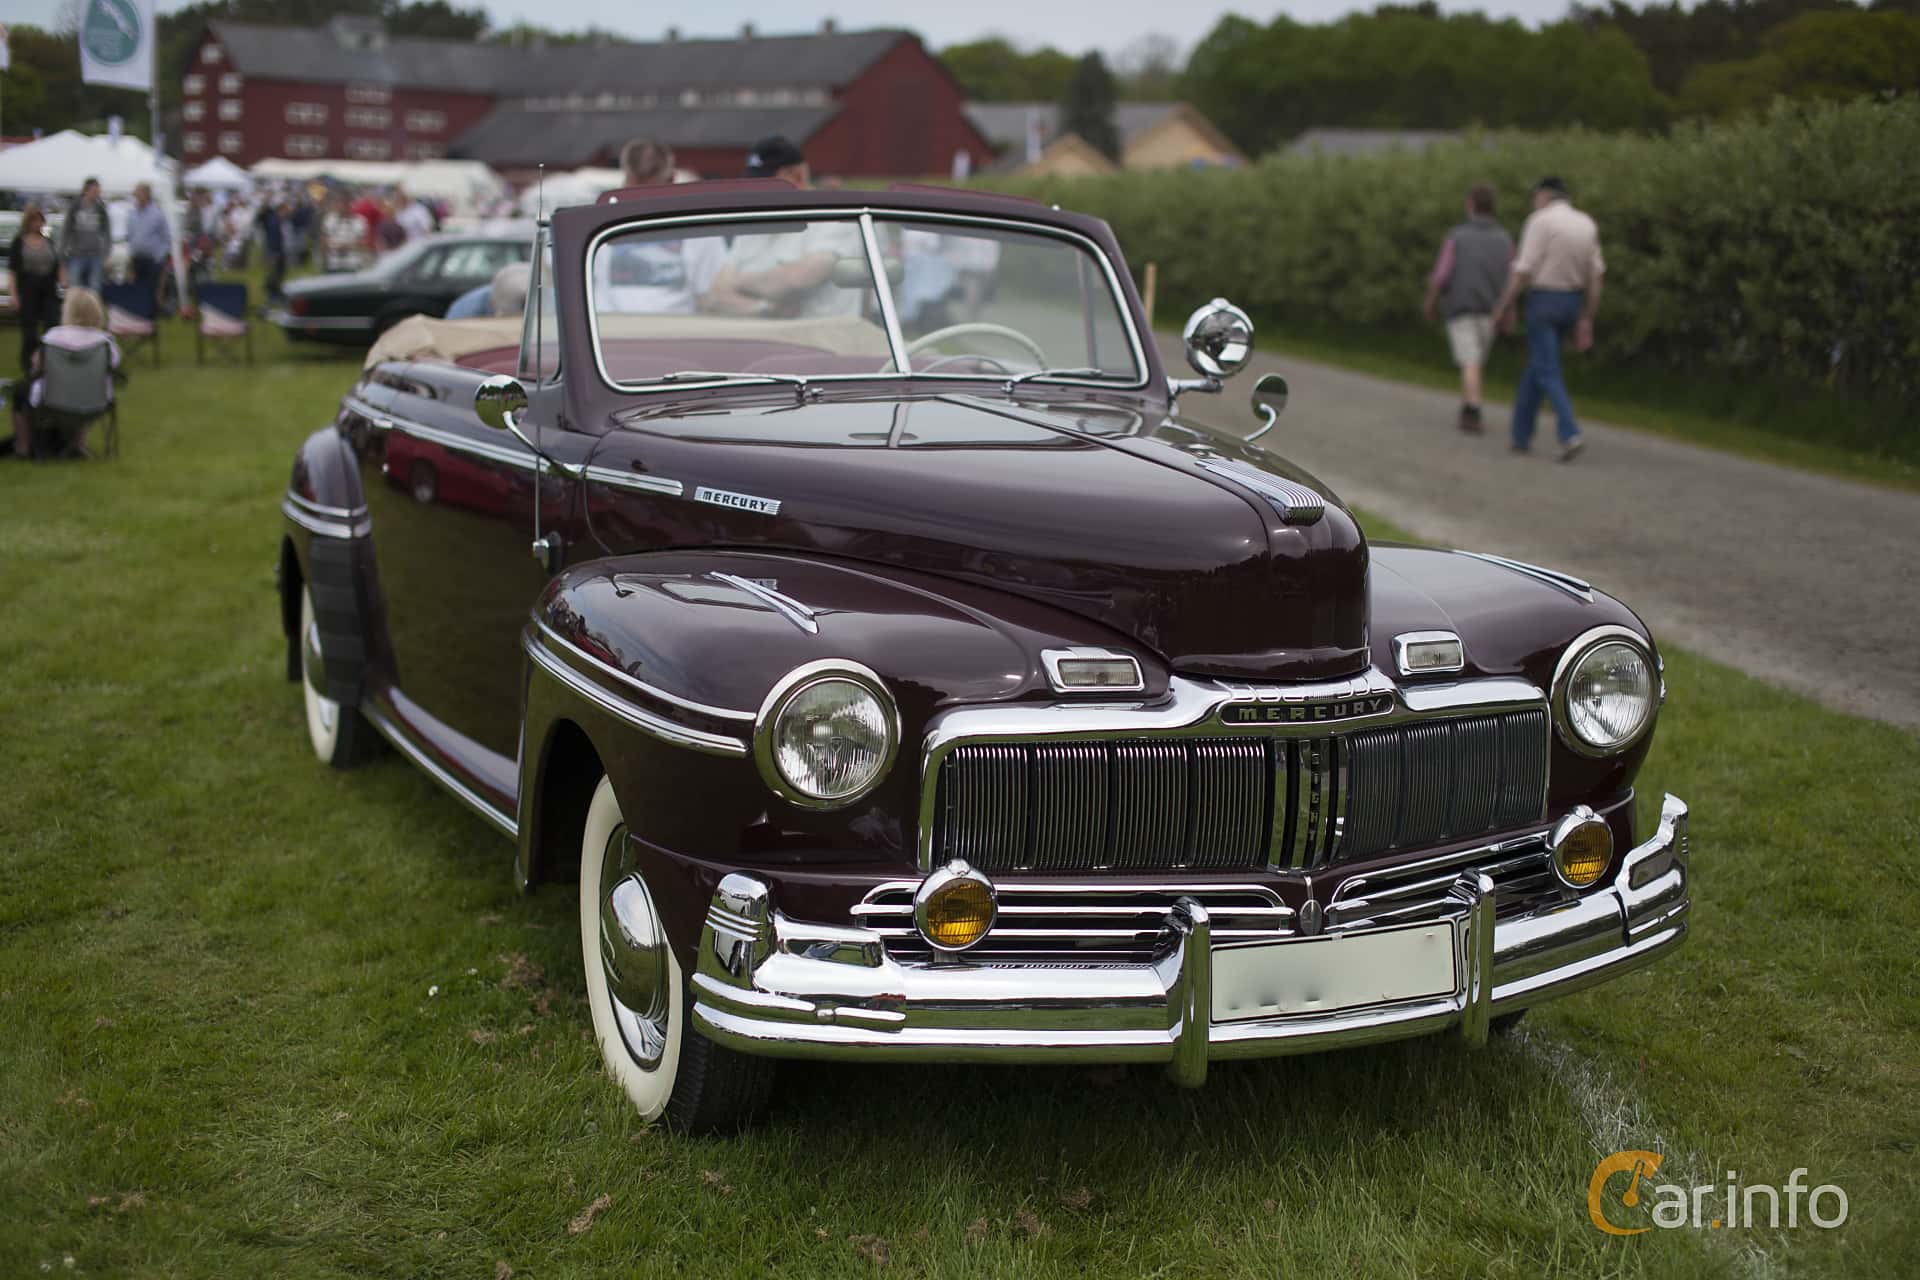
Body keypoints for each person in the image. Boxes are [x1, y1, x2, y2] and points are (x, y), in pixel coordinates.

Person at [1492, 176, 1605, 462]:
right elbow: (1595, 277)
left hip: (1544, 300)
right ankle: (1520, 434)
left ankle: (1569, 433)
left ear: (1543, 195)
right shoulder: (1586, 223)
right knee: (1538, 365)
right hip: (1573, 300)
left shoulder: (1540, 221)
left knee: (1547, 370)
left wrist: (1504, 305)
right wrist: (1587, 317)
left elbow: (1524, 269)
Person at [701, 136, 861, 318]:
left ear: (798, 175)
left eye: (767, 182)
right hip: (768, 337)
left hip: (823, 340)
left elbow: (800, 278)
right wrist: (763, 308)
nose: (756, 190)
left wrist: (738, 282)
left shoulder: (833, 218)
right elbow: (715, 295)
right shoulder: (754, 224)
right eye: (754, 182)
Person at [591, 138, 726, 316]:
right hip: (608, 333)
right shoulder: (599, 224)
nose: (642, 205)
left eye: (649, 195)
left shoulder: (700, 228)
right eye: (634, 193)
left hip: (673, 335)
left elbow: (710, 297)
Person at [1423, 182, 1513, 434]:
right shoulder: (1505, 240)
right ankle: (1467, 409)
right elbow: (1511, 278)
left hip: (1461, 307)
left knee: (1470, 362)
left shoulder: (1457, 237)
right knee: (1474, 362)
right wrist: (1509, 312)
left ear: (1471, 204)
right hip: (1491, 311)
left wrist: (1430, 301)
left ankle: (1473, 408)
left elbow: (1442, 275)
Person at [6, 287, 120, 460]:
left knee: (21, 392)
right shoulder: (106, 343)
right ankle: (78, 444)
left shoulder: (53, 337)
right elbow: (113, 366)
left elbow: (36, 366)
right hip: (96, 402)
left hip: (54, 400)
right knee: (85, 386)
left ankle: (23, 447)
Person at [7, 204, 64, 376]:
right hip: (28, 288)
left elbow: (58, 266)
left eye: (40, 220)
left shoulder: (49, 242)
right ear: (28, 221)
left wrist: (65, 282)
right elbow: (13, 272)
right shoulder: (19, 243)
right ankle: (29, 364)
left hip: (48, 288)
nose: (38, 223)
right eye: (34, 220)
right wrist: (14, 295)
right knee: (29, 330)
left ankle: (48, 360)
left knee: (52, 325)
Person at [61, 178, 112, 293]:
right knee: (75, 287)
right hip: (77, 254)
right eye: (94, 190)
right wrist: (63, 252)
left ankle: (92, 309)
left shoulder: (101, 209)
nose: (97, 193)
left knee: (95, 288)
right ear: (86, 191)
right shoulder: (75, 208)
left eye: (98, 191)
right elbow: (66, 231)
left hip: (96, 255)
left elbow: (106, 233)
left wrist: (106, 254)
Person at [125, 182, 172, 299]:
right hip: (137, 258)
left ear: (146, 195)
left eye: (138, 193)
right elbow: (130, 236)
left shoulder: (157, 214)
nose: (136, 197)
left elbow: (166, 237)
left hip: (153, 260)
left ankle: (153, 313)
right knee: (137, 289)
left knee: (152, 289)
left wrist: (160, 256)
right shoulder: (132, 214)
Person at [321, 193, 369, 273]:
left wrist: (348, 246)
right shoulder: (330, 219)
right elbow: (324, 241)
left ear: (350, 204)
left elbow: (364, 243)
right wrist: (334, 247)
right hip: (333, 264)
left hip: (353, 264)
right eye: (339, 203)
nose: (342, 206)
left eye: (345, 203)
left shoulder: (359, 221)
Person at [256, 197, 288, 301]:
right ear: (280, 210)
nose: (286, 213)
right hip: (275, 252)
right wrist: (275, 254)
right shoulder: (275, 222)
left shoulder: (275, 220)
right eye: (285, 210)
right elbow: (273, 240)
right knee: (274, 274)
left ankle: (273, 292)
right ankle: (272, 294)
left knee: (276, 274)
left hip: (275, 252)